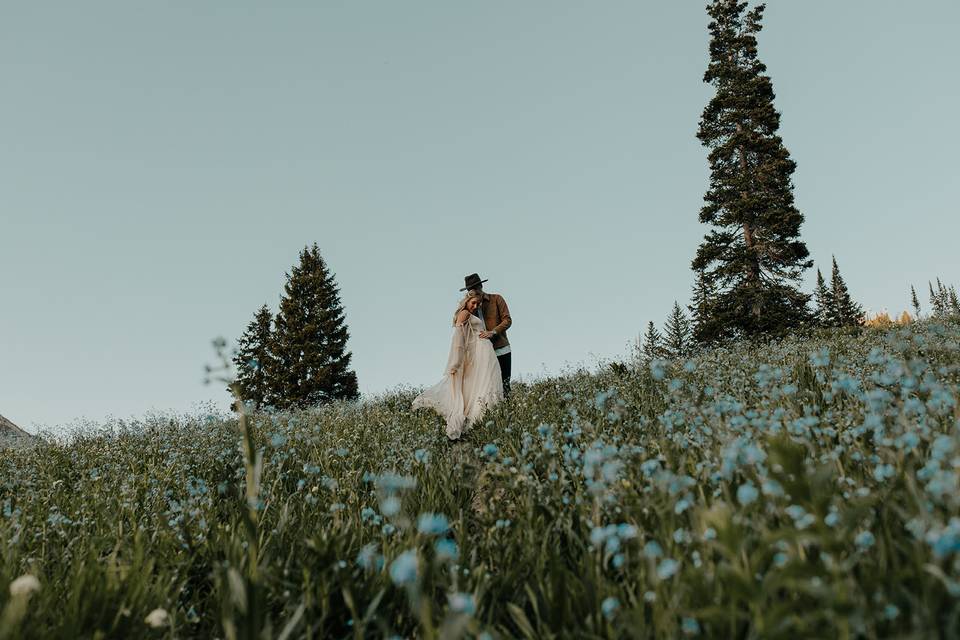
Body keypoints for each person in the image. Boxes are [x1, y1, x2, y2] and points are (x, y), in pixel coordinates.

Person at [412, 290, 504, 440]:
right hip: (482, 353)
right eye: (473, 302)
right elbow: (458, 340)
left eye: (478, 304)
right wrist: (455, 362)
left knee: (486, 383)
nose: (475, 306)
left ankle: (488, 415)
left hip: (484, 353)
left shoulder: (470, 314)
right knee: (484, 383)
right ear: (466, 301)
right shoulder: (464, 314)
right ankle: (480, 418)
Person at [459, 273, 512, 396]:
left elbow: (507, 320)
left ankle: (509, 412)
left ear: (481, 286)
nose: (474, 291)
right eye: (470, 290)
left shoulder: (497, 299)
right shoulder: (470, 307)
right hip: (482, 353)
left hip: (501, 348)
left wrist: (493, 332)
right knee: (487, 386)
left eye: (476, 288)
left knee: (505, 384)